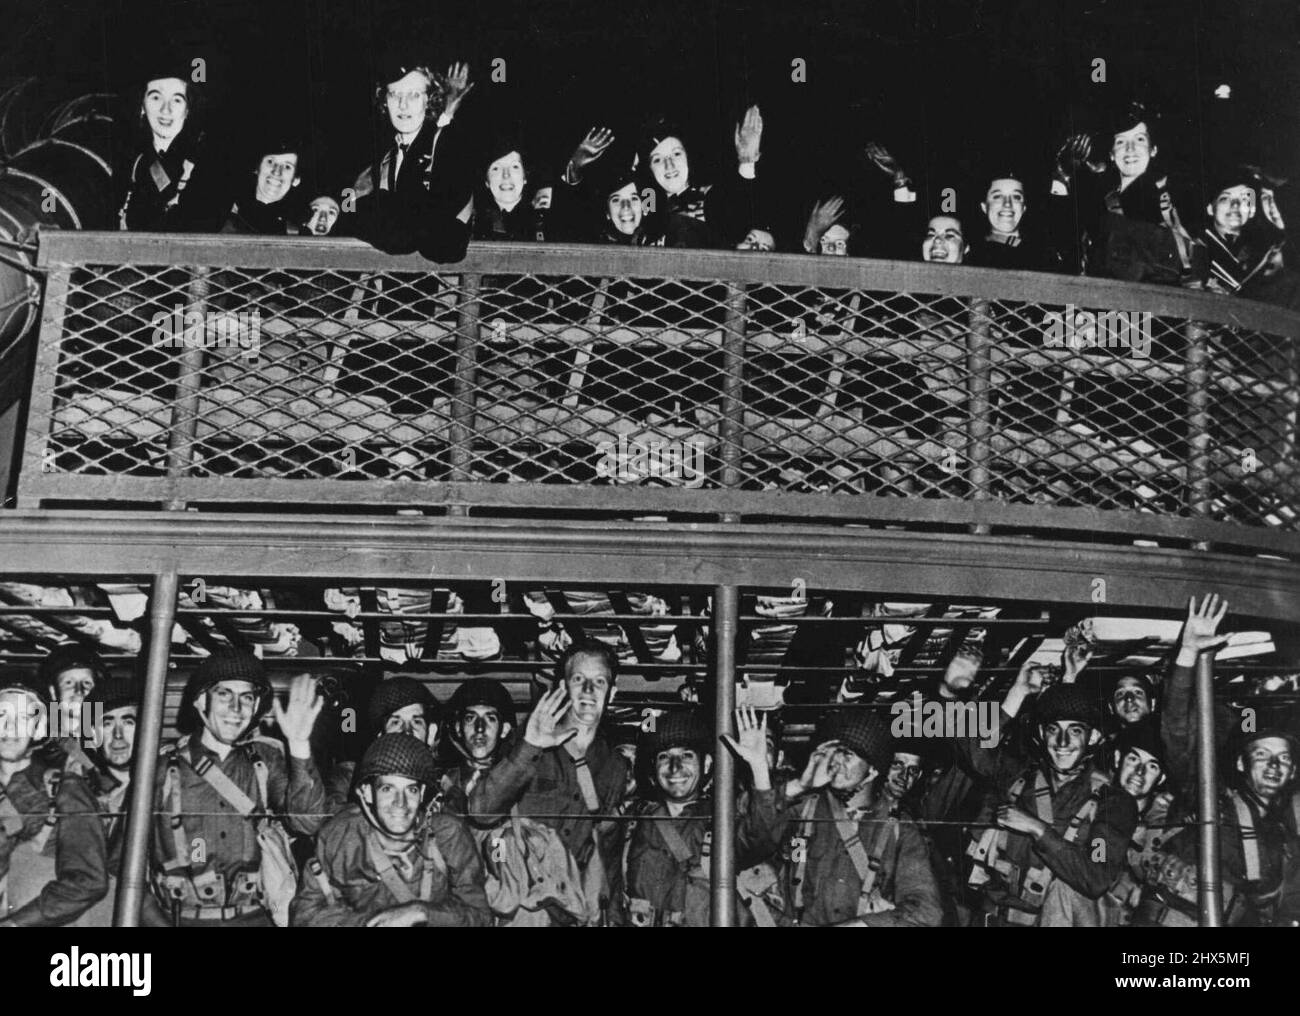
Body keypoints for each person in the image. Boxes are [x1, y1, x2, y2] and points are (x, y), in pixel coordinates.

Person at [1134, 594, 1300, 926]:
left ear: (1293, 770)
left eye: (1283, 758)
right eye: (1262, 755)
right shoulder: (1211, 798)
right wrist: (1188, 654)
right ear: (1241, 764)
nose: (1273, 765)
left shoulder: (1285, 832)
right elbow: (1177, 729)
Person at [144, 652, 326, 926]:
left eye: (246, 698)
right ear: (200, 701)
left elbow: (307, 823)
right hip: (181, 920)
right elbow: (122, 867)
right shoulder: (158, 769)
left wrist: (299, 745)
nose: (236, 708)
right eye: (224, 694)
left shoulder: (264, 762)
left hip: (254, 918)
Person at [468, 640, 629, 923]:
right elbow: (481, 812)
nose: (589, 691)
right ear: (563, 687)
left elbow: (609, 854)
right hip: (519, 911)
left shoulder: (614, 766)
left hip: (570, 911)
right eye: (578, 679)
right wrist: (530, 745)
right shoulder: (525, 742)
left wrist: (612, 918)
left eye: (599, 681)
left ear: (612, 693)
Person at [964, 679, 1138, 926]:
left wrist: (1038, 829)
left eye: (1075, 730)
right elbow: (977, 752)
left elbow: (1095, 875)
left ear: (1093, 737)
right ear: (1040, 734)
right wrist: (1018, 691)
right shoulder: (1018, 777)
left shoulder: (1111, 803)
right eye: (1053, 729)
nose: (1063, 742)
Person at [754, 708, 942, 926]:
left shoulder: (900, 829)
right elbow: (746, 844)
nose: (836, 761)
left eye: (848, 754)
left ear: (872, 771)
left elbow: (927, 911)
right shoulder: (802, 809)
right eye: (834, 752)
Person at [291, 733, 489, 926]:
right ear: (367, 793)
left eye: (410, 790)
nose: (400, 803)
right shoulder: (341, 836)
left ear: (421, 794)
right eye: (387, 789)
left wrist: (421, 913)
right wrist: (373, 922)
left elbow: (479, 915)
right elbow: (305, 914)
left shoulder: (448, 834)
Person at [619, 707, 775, 927]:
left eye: (686, 755)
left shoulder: (725, 817)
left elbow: (762, 837)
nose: (675, 767)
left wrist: (759, 769)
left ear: (707, 764)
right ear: (653, 769)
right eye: (664, 757)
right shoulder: (631, 823)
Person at [0, 671, 108, 926]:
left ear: (38, 727)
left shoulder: (64, 788)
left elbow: (89, 880)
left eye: (24, 717)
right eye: (0, 715)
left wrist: (16, 924)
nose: (9, 728)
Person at [1050, 102, 1196, 283]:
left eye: (1140, 139)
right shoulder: (1102, 199)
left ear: (1153, 150)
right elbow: (1063, 242)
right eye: (1120, 141)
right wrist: (1063, 177)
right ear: (1111, 154)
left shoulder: (1172, 198)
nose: (1130, 149)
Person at [349, 57, 476, 261]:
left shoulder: (450, 147)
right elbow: (348, 209)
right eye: (394, 94)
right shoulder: (380, 153)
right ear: (384, 100)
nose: (403, 105)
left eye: (414, 95)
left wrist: (364, 209)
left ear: (430, 100)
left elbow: (433, 239)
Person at [117, 61, 225, 232]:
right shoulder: (130, 161)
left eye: (176, 99)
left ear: (188, 108)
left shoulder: (208, 163)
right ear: (142, 106)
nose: (165, 110)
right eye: (155, 97)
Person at [637, 107, 764, 249]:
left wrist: (746, 163)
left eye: (676, 154)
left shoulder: (709, 198)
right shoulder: (646, 202)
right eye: (657, 160)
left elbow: (735, 206)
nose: (669, 165)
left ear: (688, 158)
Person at [326, 675, 440, 813]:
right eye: (396, 722)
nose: (406, 731)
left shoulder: (447, 782)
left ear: (431, 733)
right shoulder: (348, 778)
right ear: (380, 736)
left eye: (416, 722)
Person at [79, 677, 139, 926]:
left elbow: (198, 845)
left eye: (128, 722)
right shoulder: (79, 793)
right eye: (106, 722)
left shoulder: (169, 783)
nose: (117, 735)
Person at [437, 677, 514, 815]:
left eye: (490, 718)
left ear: (504, 730)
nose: (480, 728)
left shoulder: (515, 781)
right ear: (458, 729)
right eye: (470, 718)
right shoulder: (440, 782)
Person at [35, 643, 104, 776]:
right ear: (53, 692)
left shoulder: (111, 741)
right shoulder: (40, 745)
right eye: (69, 683)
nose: (79, 691)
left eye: (87, 683)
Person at [222, 139, 305, 234]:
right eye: (270, 162)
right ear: (257, 169)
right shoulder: (223, 215)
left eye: (287, 167)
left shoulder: (296, 233)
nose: (276, 172)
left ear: (296, 180)